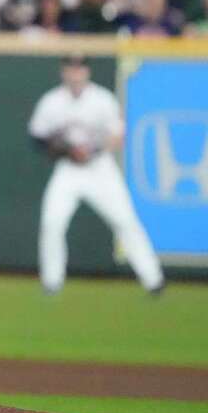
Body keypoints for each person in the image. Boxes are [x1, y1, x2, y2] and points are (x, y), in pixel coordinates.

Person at [27, 55, 164, 296]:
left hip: (100, 168)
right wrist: (66, 150)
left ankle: (153, 280)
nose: (75, 72)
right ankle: (52, 282)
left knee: (125, 221)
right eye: (71, 67)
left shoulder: (102, 99)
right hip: (68, 169)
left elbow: (117, 136)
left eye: (80, 67)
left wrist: (92, 152)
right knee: (52, 222)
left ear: (87, 72)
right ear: (64, 71)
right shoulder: (52, 101)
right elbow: (38, 137)